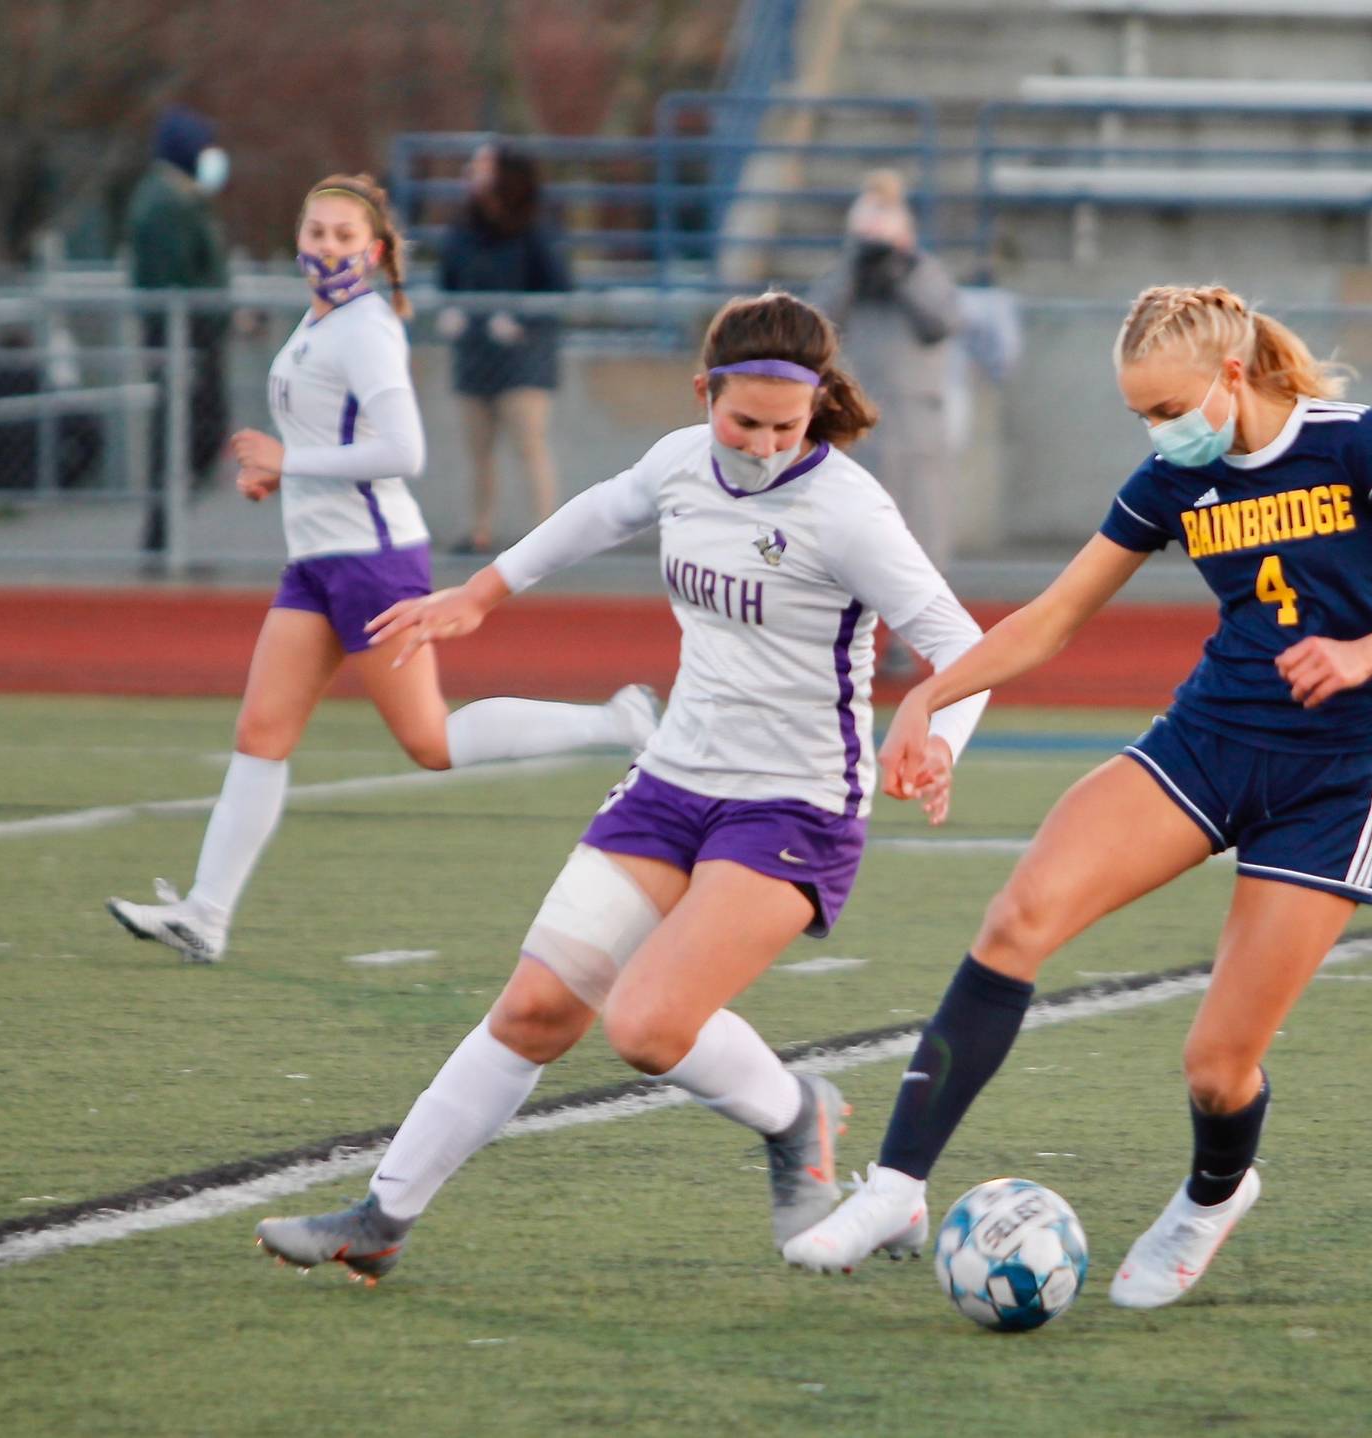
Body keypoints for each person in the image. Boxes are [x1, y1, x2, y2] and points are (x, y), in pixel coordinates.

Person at [784, 284, 1372, 1309]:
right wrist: (928, 696)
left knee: (1216, 1068)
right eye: (1140, 414)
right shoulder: (1173, 479)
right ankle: (895, 1187)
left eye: (1170, 409)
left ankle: (1211, 1197)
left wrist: (1366, 653)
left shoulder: (1360, 442)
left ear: (1230, 374)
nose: (1159, 431)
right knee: (1018, 917)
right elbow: (1054, 616)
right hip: (1208, 740)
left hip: (1336, 774)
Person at [250, 290, 993, 1282]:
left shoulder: (848, 510)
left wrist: (940, 739)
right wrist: (482, 593)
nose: (766, 446)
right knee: (533, 1010)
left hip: (795, 803)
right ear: (703, 391)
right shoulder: (680, 462)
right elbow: (600, 511)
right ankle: (382, 1217)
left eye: (788, 426)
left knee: (645, 1025)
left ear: (816, 405)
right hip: (671, 781)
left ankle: (796, 1115)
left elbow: (963, 644)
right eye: (744, 422)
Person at [106, 173, 656, 964]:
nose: (327, 247)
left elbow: (404, 451)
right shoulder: (319, 319)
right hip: (316, 563)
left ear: (374, 251)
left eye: (343, 236)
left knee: (429, 740)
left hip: (371, 562)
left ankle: (617, 724)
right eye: (316, 232)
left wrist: (290, 461)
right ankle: (206, 915)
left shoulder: (366, 327)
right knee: (261, 732)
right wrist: (281, 474)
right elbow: (331, 438)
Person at [808, 171, 961, 568]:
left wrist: (900, 275)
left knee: (920, 524)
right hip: (856, 417)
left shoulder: (923, 272)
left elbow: (940, 323)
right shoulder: (845, 278)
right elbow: (817, 325)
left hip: (915, 420)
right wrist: (853, 268)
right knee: (854, 525)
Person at [436, 143, 572, 554]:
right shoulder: (462, 229)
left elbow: (559, 291)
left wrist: (523, 321)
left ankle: (547, 535)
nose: (473, 174)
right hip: (475, 356)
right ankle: (478, 529)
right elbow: (448, 282)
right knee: (477, 450)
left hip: (524, 361)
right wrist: (452, 312)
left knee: (529, 444)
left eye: (484, 167)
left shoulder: (536, 229)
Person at [126, 104, 232, 554]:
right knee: (180, 432)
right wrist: (200, 318)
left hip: (197, 335)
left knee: (197, 432)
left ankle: (169, 533)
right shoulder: (164, 203)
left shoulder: (183, 199)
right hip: (182, 337)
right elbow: (175, 276)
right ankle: (163, 536)